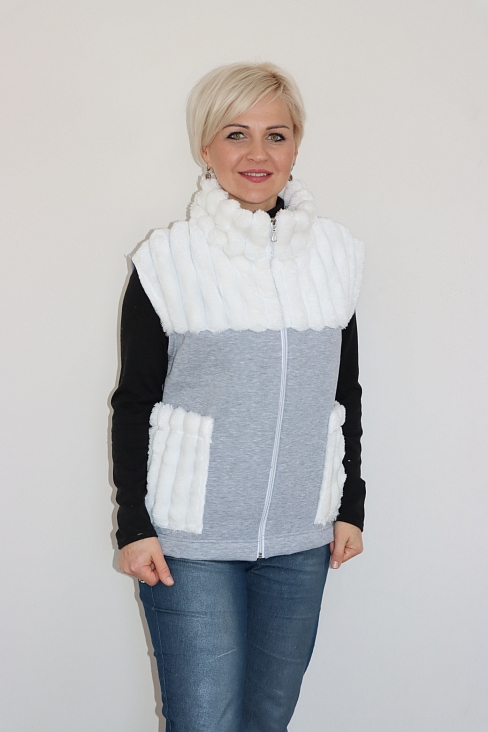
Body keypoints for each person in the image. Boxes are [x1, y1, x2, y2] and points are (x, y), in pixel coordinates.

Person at [111, 61, 366, 732]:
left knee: (267, 719)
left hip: (300, 539)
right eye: (236, 134)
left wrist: (350, 507)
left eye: (276, 135)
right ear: (206, 147)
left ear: (296, 145)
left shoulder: (336, 258)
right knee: (204, 721)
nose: (258, 154)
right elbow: (135, 401)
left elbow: (344, 394)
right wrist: (134, 526)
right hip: (189, 544)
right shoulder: (167, 262)